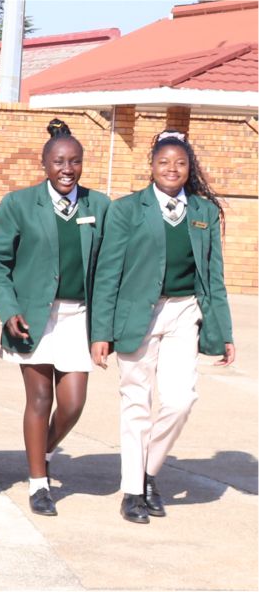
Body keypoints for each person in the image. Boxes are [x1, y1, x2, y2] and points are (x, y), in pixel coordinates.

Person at [90, 131, 235, 524]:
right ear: (151, 166)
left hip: (184, 311)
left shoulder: (204, 211)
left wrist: (224, 332)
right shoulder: (126, 210)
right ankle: (132, 492)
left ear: (189, 168)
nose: (172, 169)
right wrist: (100, 332)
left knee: (180, 400)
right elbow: (107, 273)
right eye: (164, 162)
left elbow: (214, 275)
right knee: (136, 403)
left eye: (180, 163)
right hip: (136, 315)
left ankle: (147, 471)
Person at [0, 119, 111, 517]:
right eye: (59, 161)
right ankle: (39, 483)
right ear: (45, 164)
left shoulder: (99, 206)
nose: (67, 169)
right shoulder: (18, 204)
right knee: (39, 399)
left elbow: (109, 268)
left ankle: (44, 450)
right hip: (33, 316)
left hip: (78, 316)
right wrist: (8, 310)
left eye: (75, 161)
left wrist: (105, 328)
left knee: (72, 403)